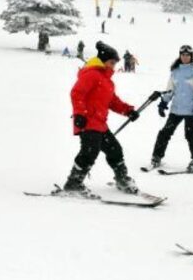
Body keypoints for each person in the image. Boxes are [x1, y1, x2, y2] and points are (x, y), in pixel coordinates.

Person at [56, 41, 140, 197]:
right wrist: (80, 114)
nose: (113, 66)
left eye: (115, 63)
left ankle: (122, 178)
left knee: (115, 150)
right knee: (89, 152)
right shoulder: (92, 74)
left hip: (100, 123)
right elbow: (77, 93)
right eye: (112, 62)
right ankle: (73, 183)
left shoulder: (106, 81)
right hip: (87, 121)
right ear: (103, 60)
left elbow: (113, 101)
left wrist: (128, 111)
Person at [149, 45, 193, 172]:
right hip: (176, 109)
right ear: (180, 55)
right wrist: (163, 103)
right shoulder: (175, 71)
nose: (185, 57)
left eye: (187, 55)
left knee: (190, 134)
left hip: (191, 110)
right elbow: (170, 89)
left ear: (191, 56)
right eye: (183, 55)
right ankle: (156, 157)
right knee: (165, 132)